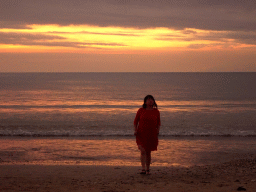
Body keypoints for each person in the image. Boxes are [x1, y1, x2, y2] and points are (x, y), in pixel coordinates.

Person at [134, 95, 161, 175]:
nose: (150, 101)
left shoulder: (156, 111)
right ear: (145, 102)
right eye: (148, 100)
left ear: (153, 101)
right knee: (143, 151)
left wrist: (158, 131)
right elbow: (135, 122)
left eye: (151, 99)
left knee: (148, 152)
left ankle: (148, 169)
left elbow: (158, 123)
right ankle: (143, 169)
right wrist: (135, 130)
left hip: (151, 134)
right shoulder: (141, 110)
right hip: (141, 133)